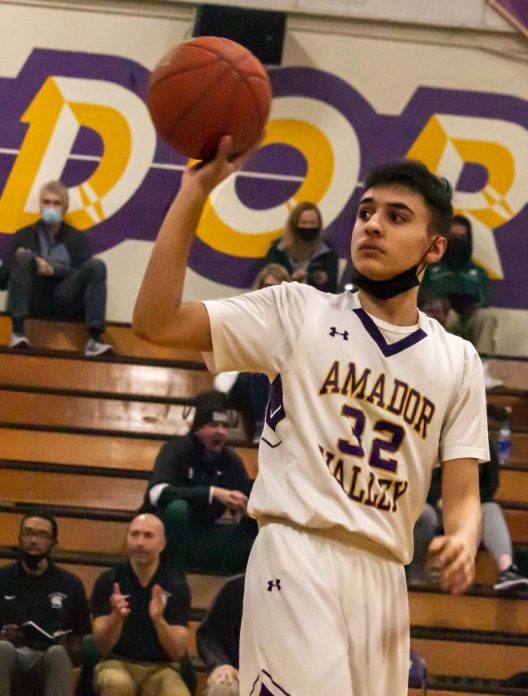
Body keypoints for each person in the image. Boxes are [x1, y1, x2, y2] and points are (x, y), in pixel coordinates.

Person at [132, 141, 489, 696]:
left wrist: (464, 538)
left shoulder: (458, 359)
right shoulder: (298, 311)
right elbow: (155, 321)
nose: (372, 226)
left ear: (435, 247)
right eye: (367, 212)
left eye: (397, 218)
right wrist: (192, 195)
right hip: (296, 555)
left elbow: (464, 488)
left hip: (384, 576)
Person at [142, 390, 256, 575]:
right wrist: (213, 493)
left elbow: (247, 501)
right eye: (213, 425)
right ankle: (172, 579)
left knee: (255, 536)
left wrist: (245, 511)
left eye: (225, 426)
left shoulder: (231, 461)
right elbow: (156, 493)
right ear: (198, 428)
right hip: (165, 535)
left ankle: (237, 590)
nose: (220, 430)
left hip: (201, 537)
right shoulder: (176, 449)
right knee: (178, 508)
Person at [0, 180, 112, 355]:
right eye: (46, 202)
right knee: (23, 257)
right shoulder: (23, 236)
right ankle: (18, 332)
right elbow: (3, 281)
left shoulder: (78, 239)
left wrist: (53, 269)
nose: (51, 207)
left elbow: (83, 273)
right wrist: (20, 260)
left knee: (97, 265)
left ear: (65, 209)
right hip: (32, 297)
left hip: (64, 297)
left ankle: (94, 340)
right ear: (40, 206)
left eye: (56, 203)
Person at [91, 513, 191, 696]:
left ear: (162, 544)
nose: (139, 542)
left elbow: (177, 652)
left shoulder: (176, 585)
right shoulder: (108, 581)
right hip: (116, 663)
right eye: (134, 534)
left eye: (148, 535)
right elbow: (102, 646)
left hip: (162, 669)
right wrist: (116, 617)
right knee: (117, 684)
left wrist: (159, 620)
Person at [409, 444, 528, 592]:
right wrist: (438, 499)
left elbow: (491, 483)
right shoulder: (435, 437)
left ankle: (507, 569)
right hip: (433, 504)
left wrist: (470, 505)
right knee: (425, 514)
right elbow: (421, 477)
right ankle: (414, 576)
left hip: (467, 510)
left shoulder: (483, 441)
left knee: (490, 509)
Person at [0, 512, 91, 696]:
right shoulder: (2, 578)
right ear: (19, 538)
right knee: (2, 648)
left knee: (58, 653)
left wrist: (68, 646)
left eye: (42, 535)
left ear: (53, 543)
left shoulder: (70, 584)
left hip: (47, 659)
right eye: (28, 533)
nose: (33, 540)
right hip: (10, 656)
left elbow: (81, 642)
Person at [215, 265, 289, 441]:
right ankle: (260, 429)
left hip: (281, 380)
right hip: (243, 379)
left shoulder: (292, 318)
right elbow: (234, 351)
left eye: (275, 288)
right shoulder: (246, 313)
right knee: (258, 377)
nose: (270, 292)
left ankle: (265, 427)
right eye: (266, 286)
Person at [419, 214, 496, 355]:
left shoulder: (478, 272)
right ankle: (443, 362)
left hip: (468, 319)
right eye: (453, 237)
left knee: (487, 316)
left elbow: (484, 301)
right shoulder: (430, 268)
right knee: (448, 315)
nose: (457, 242)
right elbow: (420, 298)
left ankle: (482, 365)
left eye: (462, 238)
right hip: (441, 319)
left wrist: (473, 306)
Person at [262, 201, 338, 293]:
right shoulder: (279, 250)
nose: (308, 227)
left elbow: (331, 288)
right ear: (294, 224)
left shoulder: (327, 252)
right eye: (304, 223)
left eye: (312, 223)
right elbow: (268, 285)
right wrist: (292, 280)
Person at [196, 575, 244, 696]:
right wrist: (221, 664)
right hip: (238, 673)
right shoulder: (236, 587)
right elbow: (208, 635)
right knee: (221, 688)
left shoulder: (295, 590)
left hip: (285, 675)